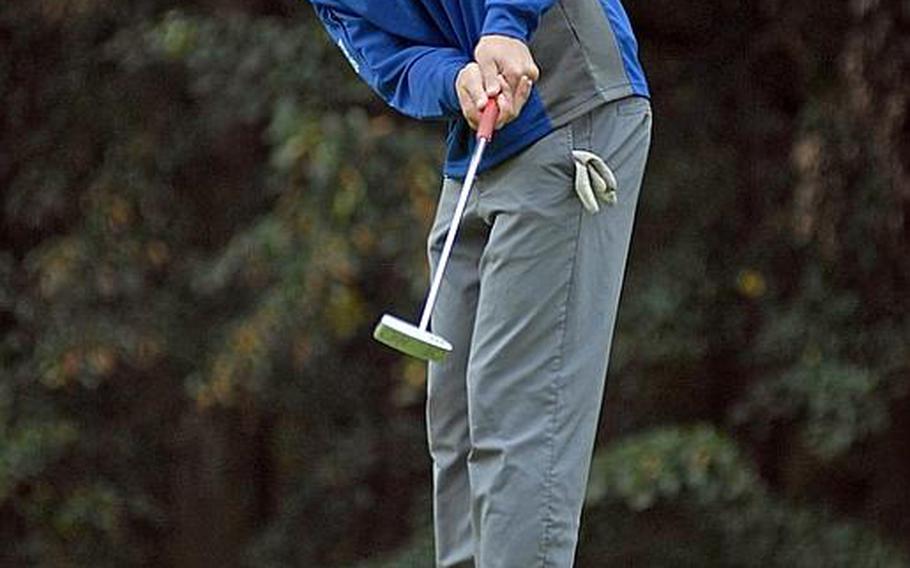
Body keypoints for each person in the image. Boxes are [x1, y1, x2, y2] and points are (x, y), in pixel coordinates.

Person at [308, 1, 652, 566]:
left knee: (513, 410)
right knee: (455, 420)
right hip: (482, 138)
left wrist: (503, 25)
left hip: (572, 102)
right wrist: (457, 78)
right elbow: (391, 61)